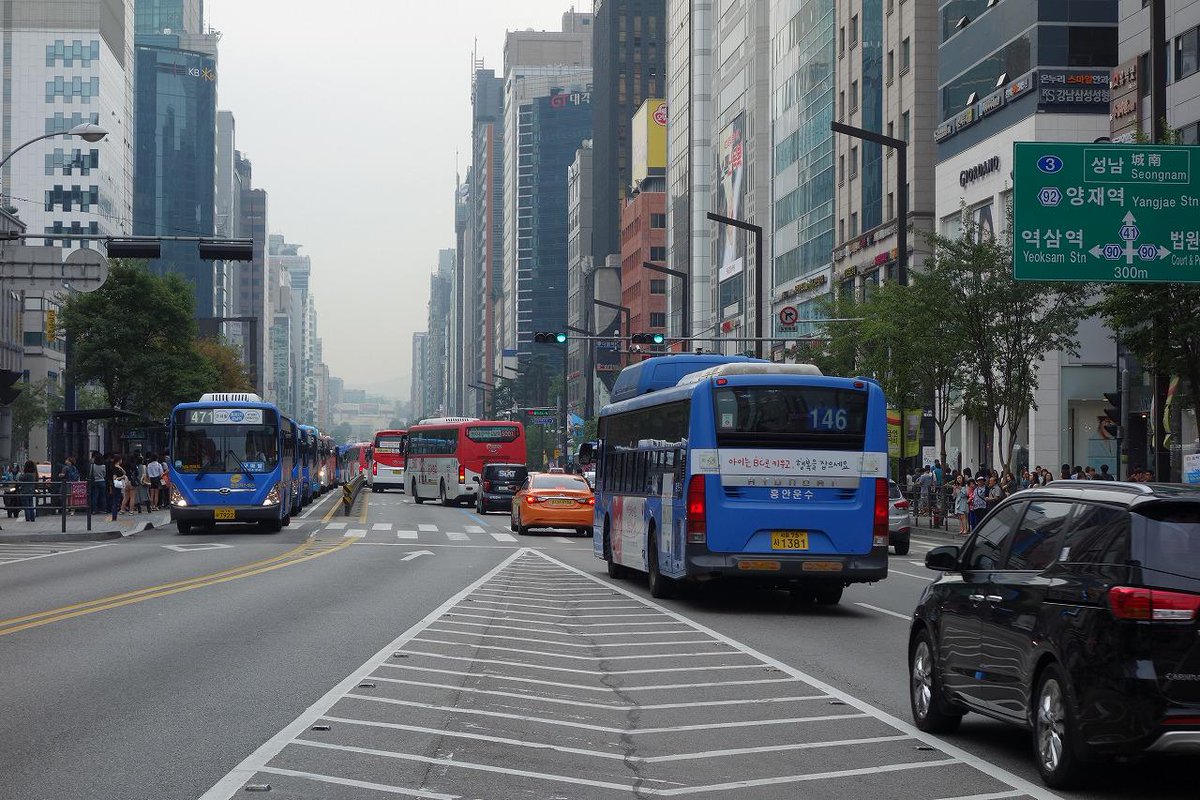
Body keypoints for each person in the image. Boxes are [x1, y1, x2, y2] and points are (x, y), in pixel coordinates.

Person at [108, 455, 127, 522]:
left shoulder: (117, 467)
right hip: (116, 486)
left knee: (116, 501)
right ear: (119, 460)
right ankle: (114, 516)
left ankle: (114, 516)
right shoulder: (115, 468)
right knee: (115, 501)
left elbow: (125, 472)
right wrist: (122, 477)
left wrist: (120, 468)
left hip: (117, 486)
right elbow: (115, 478)